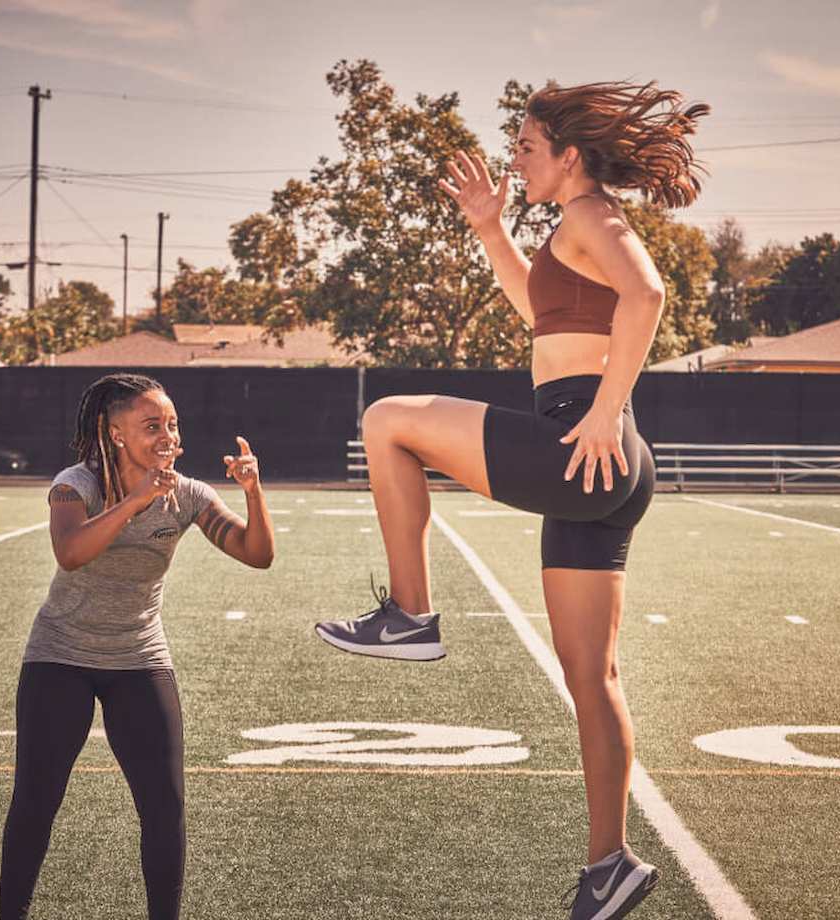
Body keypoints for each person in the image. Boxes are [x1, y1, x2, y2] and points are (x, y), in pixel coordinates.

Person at [315, 80, 709, 919]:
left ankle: (411, 616)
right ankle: (610, 863)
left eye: (527, 147)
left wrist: (603, 407)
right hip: (607, 465)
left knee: (387, 419)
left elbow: (649, 296)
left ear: (568, 156)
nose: (516, 159)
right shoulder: (572, 230)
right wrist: (490, 229)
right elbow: (539, 308)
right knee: (592, 677)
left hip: (582, 438)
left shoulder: (590, 215)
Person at [0, 372, 274, 920]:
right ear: (116, 433)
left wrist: (253, 491)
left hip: (139, 659)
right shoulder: (75, 484)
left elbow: (256, 553)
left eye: (171, 424)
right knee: (36, 801)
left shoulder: (189, 495)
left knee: (165, 807)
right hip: (60, 658)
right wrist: (139, 498)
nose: (167, 435)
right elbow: (71, 552)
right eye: (152, 426)